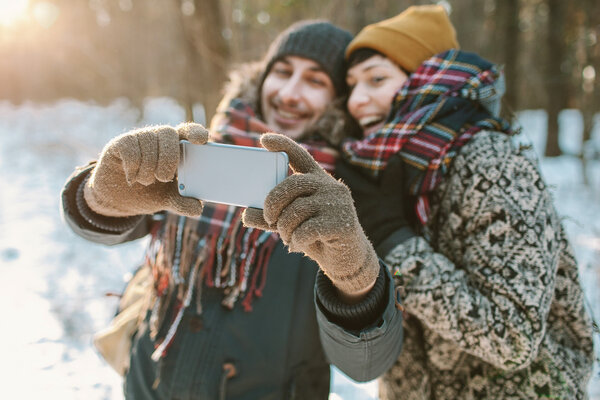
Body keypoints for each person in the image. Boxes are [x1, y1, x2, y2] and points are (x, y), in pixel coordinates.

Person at [60, 20, 379, 399]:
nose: (290, 93)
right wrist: (101, 195)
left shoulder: (348, 197)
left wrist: (357, 279)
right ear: (261, 77)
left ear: (338, 99)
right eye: (282, 71)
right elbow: (94, 226)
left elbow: (366, 364)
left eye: (315, 81)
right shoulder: (202, 151)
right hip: (149, 384)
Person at [307, 5, 594, 399]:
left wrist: (394, 239)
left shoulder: (490, 160)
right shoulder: (377, 172)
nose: (357, 100)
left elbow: (513, 337)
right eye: (352, 85)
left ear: (428, 79)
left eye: (376, 79)